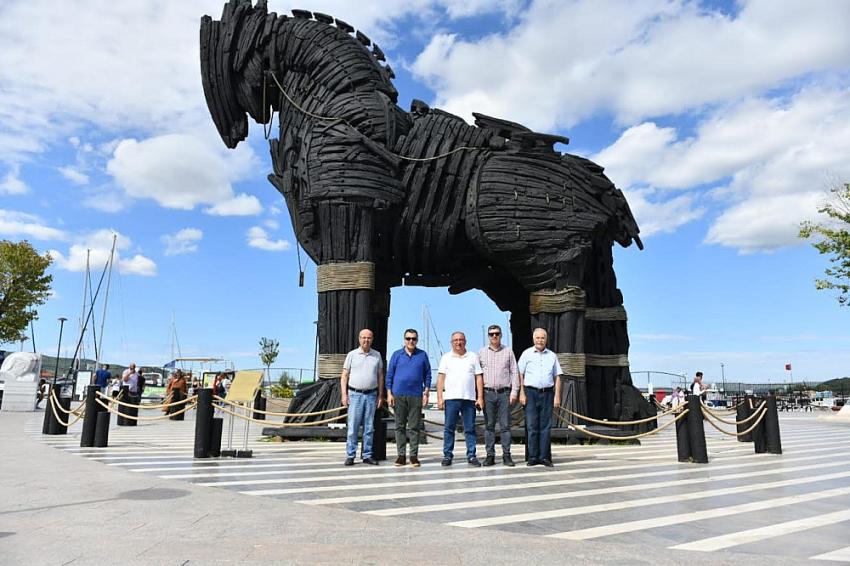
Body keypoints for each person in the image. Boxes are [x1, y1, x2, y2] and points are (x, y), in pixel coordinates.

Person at [436, 331, 484, 467]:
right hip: (451, 398)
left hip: (469, 399)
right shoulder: (446, 357)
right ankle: (447, 455)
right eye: (455, 340)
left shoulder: (473, 357)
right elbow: (440, 379)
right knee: (449, 428)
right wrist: (440, 398)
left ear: (465, 341)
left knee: (470, 429)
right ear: (451, 343)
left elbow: (478, 377)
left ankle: (471, 455)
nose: (458, 342)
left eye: (461, 340)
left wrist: (480, 397)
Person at [386, 328, 432, 467]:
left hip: (416, 396)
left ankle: (413, 456)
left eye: (413, 339)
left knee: (414, 427)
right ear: (404, 340)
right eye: (408, 338)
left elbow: (428, 375)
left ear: (417, 340)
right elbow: (390, 375)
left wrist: (426, 393)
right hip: (398, 395)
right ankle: (401, 456)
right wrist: (389, 393)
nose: (411, 341)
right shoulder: (396, 355)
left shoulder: (422, 355)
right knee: (399, 426)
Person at [518, 328, 562, 467]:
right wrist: (522, 393)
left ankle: (544, 457)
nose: (540, 340)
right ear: (533, 339)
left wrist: (557, 396)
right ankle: (533, 456)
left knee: (545, 427)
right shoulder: (526, 354)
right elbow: (520, 374)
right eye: (538, 338)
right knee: (531, 426)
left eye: (542, 338)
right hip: (530, 392)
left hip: (547, 393)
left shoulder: (552, 356)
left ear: (546, 339)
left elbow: (558, 376)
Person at [341, 329, 384, 466]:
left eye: (369, 338)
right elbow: (344, 376)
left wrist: (380, 395)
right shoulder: (352, 355)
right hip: (355, 394)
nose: (366, 340)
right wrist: (344, 394)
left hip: (371, 395)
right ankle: (350, 455)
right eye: (364, 337)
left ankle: (367, 455)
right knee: (353, 427)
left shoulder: (377, 355)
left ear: (372, 339)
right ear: (359, 339)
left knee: (369, 427)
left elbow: (380, 376)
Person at [478, 324, 519, 467]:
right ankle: (490, 455)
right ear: (488, 336)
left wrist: (514, 391)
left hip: (504, 393)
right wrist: (479, 396)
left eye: (497, 333)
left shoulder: (508, 351)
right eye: (491, 334)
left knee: (505, 426)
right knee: (489, 426)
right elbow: (478, 375)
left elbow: (514, 372)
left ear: (501, 335)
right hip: (488, 392)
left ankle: (506, 455)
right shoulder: (481, 353)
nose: (494, 336)